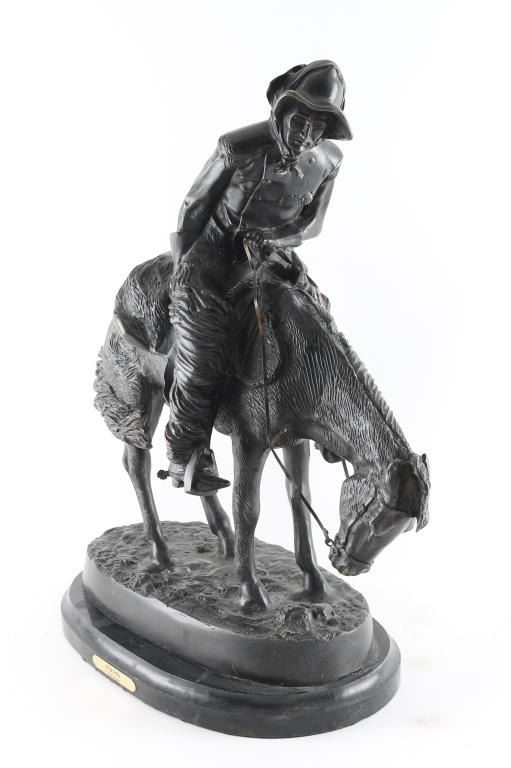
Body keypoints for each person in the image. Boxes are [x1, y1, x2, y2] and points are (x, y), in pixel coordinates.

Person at [165, 59, 352, 494]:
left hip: (270, 253)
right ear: (282, 110)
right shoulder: (236, 147)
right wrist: (183, 267)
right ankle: (185, 454)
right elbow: (193, 207)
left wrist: (273, 239)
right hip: (212, 254)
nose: (305, 134)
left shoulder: (329, 161)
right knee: (202, 349)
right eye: (300, 120)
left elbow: (312, 223)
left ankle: (327, 420)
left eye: (317, 126)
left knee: (320, 320)